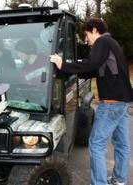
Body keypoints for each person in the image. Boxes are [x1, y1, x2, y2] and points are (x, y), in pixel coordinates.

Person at [50, 18, 132, 185]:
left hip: (111, 103)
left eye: (86, 34)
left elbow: (91, 64)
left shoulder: (102, 42)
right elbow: (96, 70)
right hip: (123, 102)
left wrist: (63, 64)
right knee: (122, 143)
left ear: (95, 30)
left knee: (96, 144)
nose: (86, 39)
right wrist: (70, 70)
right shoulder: (113, 43)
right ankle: (119, 180)